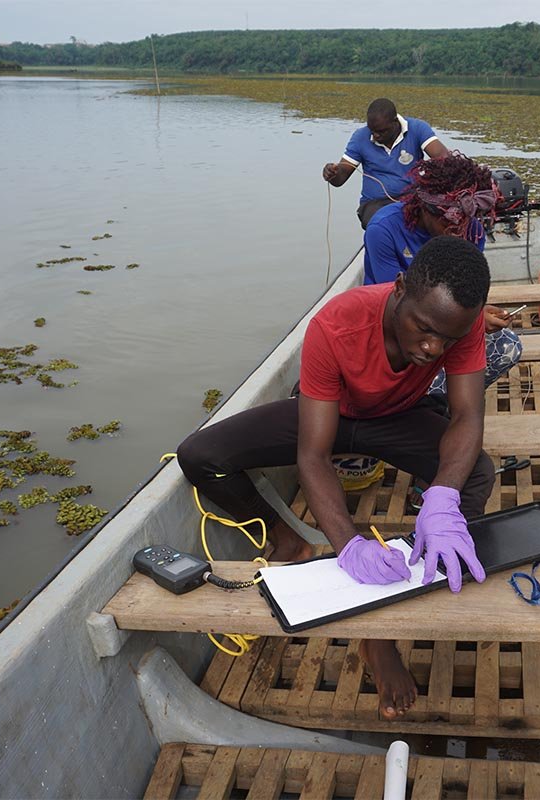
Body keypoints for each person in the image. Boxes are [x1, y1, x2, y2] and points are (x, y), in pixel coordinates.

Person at [176, 236, 495, 720]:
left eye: (448, 340)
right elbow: (313, 456)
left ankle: (398, 593)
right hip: (328, 415)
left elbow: (468, 416)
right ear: (400, 288)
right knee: (200, 455)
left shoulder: (459, 323)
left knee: (477, 473)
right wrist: (347, 543)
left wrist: (443, 498)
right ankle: (290, 540)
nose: (433, 349)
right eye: (424, 330)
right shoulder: (337, 323)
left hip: (397, 418)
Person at [363, 153, 523, 397]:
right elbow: (395, 306)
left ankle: (441, 404)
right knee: (425, 375)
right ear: (424, 208)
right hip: (396, 336)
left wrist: (477, 315)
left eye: (466, 219)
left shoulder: (473, 232)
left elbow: (459, 294)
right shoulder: (384, 229)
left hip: (445, 332)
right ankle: (423, 402)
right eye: (448, 220)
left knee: (508, 346)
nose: (457, 229)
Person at [322, 98, 450, 228]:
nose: (376, 135)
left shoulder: (417, 129)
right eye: (372, 131)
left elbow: (445, 159)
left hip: (413, 199)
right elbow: (340, 178)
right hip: (375, 204)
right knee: (382, 223)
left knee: (434, 218)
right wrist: (333, 173)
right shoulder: (360, 137)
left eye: (381, 131)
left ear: (395, 122)